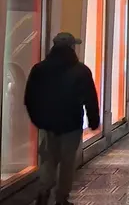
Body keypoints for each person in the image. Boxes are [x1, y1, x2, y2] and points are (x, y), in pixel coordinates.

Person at [24, 33, 99, 205]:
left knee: (48, 159)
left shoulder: (39, 69)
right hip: (71, 125)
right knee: (67, 163)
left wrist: (38, 120)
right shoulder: (81, 70)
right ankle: (61, 198)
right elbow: (90, 98)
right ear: (72, 47)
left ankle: (43, 191)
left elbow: (30, 98)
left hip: (47, 125)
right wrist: (93, 120)